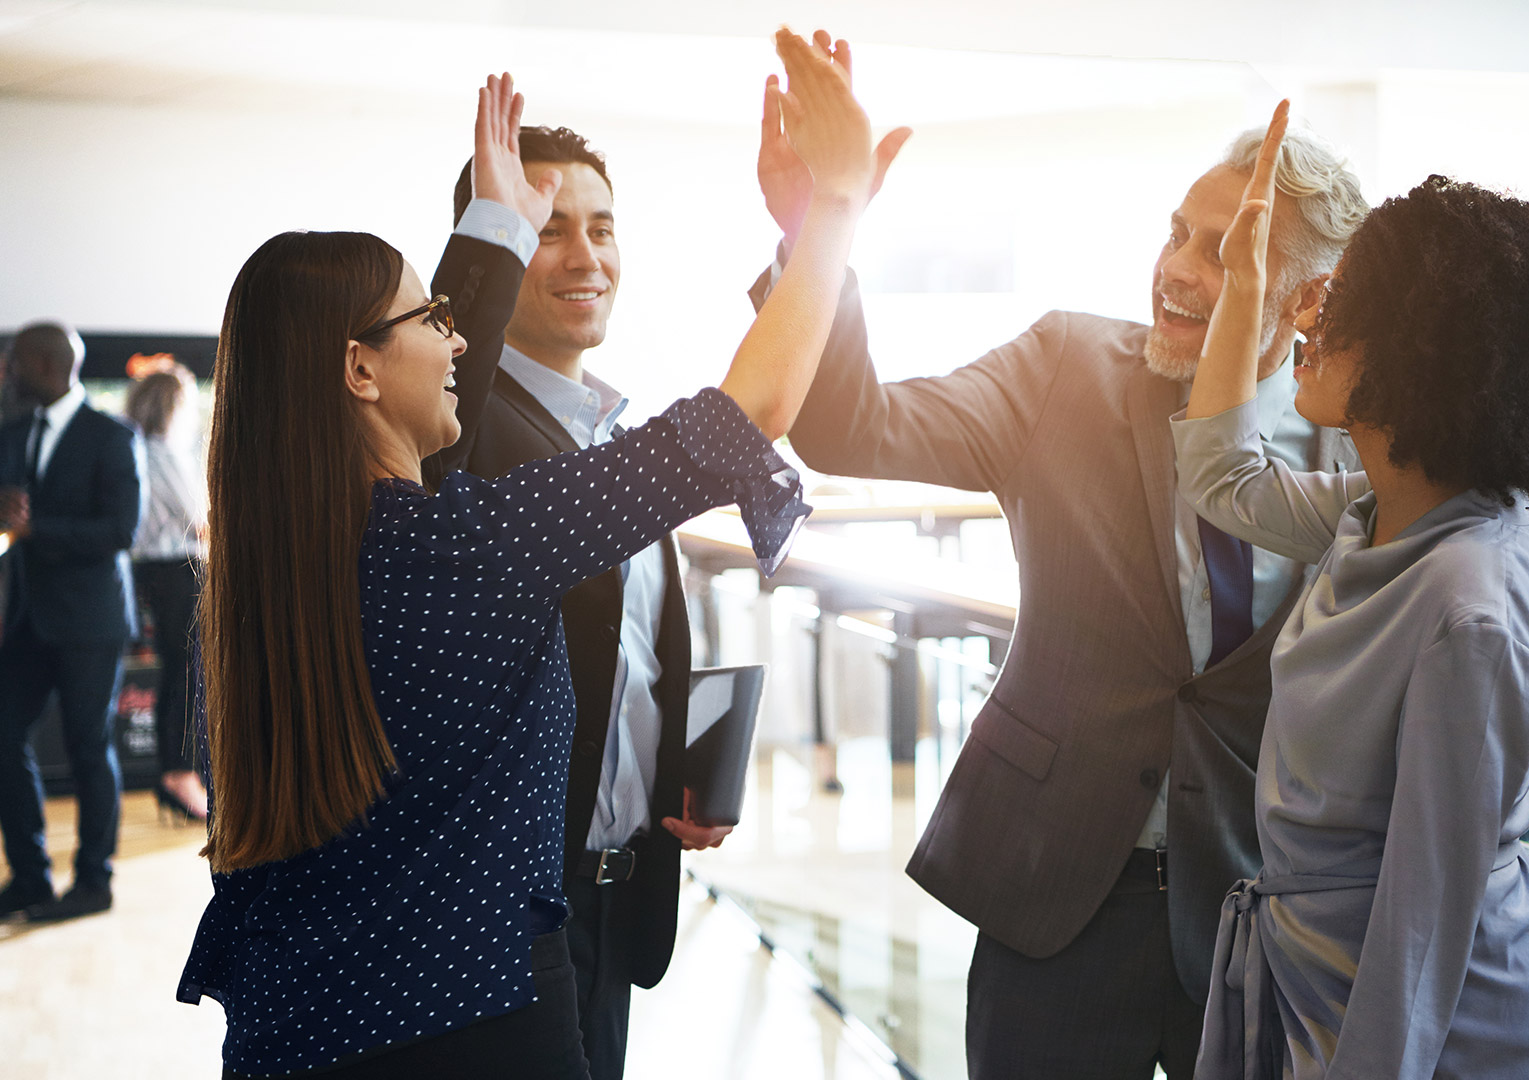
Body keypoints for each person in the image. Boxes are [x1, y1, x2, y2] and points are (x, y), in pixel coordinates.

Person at [177, 36, 879, 1076]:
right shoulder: (471, 548)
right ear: (359, 369)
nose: (458, 340)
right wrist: (837, 208)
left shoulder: (272, 575)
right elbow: (751, 412)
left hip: (301, 1031)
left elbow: (443, 373)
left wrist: (498, 225)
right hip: (481, 1027)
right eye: (431, 318)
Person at [756, 58, 1368, 1077]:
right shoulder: (1064, 365)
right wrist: (817, 233)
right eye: (1175, 232)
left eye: (1221, 253)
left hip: (1261, 917)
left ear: (1306, 298)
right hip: (1058, 894)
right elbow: (848, 424)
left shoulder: (1359, 452)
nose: (1175, 267)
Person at [1175, 104, 1529, 1078]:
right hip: (1327, 984)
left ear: (1420, 352)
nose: (1312, 316)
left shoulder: (1467, 606)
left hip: (1433, 1029)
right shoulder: (1385, 510)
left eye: (1345, 302)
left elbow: (1421, 930)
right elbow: (1223, 479)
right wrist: (1246, 288)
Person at [0, 321, 143, 922]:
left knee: (89, 749)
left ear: (44, 362)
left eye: (14, 361)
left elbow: (120, 531)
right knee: (4, 736)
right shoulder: (11, 432)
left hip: (90, 621)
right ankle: (30, 879)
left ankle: (93, 883)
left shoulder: (112, 435)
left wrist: (37, 529)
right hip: (27, 617)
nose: (7, 371)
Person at [125, 361, 210, 822]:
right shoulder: (164, 453)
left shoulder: (139, 449)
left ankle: (177, 775)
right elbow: (202, 521)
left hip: (162, 572)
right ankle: (179, 775)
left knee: (182, 672)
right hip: (182, 571)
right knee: (188, 673)